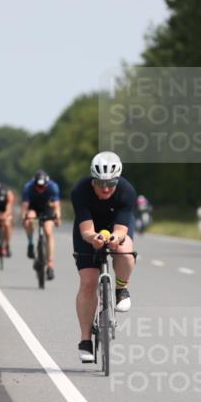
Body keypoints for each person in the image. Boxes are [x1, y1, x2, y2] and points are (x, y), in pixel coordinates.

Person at [72, 151, 137, 362]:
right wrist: (94, 238)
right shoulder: (80, 191)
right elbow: (86, 230)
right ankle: (85, 340)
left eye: (111, 182)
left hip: (116, 228)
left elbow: (120, 229)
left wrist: (116, 239)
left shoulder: (127, 191)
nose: (106, 188)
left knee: (125, 252)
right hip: (89, 232)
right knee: (89, 282)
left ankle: (121, 289)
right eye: (101, 183)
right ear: (93, 180)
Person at [22, 169, 61, 280]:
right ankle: (30, 244)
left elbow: (57, 206)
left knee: (48, 232)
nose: (40, 189)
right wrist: (24, 218)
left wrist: (58, 217)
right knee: (29, 220)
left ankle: (50, 264)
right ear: (34, 184)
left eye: (43, 187)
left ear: (47, 184)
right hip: (33, 207)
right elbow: (25, 207)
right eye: (38, 187)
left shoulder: (53, 187)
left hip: (47, 208)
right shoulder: (28, 187)